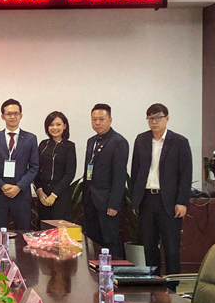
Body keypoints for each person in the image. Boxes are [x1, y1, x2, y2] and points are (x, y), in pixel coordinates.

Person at [131, 103, 192, 275]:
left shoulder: (179, 142)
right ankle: (154, 283)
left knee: (171, 246)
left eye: (158, 118)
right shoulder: (141, 140)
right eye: (150, 118)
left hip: (169, 201)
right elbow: (135, 171)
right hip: (146, 199)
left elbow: (185, 174)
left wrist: (182, 202)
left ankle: (172, 285)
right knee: (149, 246)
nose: (154, 122)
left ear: (167, 118)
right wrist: (136, 199)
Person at [82, 103, 129, 258]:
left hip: (107, 201)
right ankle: (96, 271)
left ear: (110, 120)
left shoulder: (118, 142)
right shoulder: (91, 141)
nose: (97, 122)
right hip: (90, 200)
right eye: (94, 119)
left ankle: (116, 271)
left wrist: (114, 203)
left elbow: (120, 175)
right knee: (93, 240)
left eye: (101, 119)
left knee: (111, 240)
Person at [0, 99, 39, 231]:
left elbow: (34, 167)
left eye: (16, 113)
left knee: (23, 231)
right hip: (0, 194)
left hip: (22, 194)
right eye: (9, 114)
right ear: (2, 116)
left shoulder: (30, 138)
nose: (12, 117)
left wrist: (19, 186)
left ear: (21, 116)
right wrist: (2, 185)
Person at [34, 111, 76, 224]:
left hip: (60, 194)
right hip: (43, 194)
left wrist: (54, 195)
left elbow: (70, 173)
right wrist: (40, 191)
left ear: (65, 126)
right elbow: (36, 169)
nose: (55, 128)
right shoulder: (43, 144)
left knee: (59, 230)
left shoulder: (69, 146)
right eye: (51, 125)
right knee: (44, 229)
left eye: (58, 124)